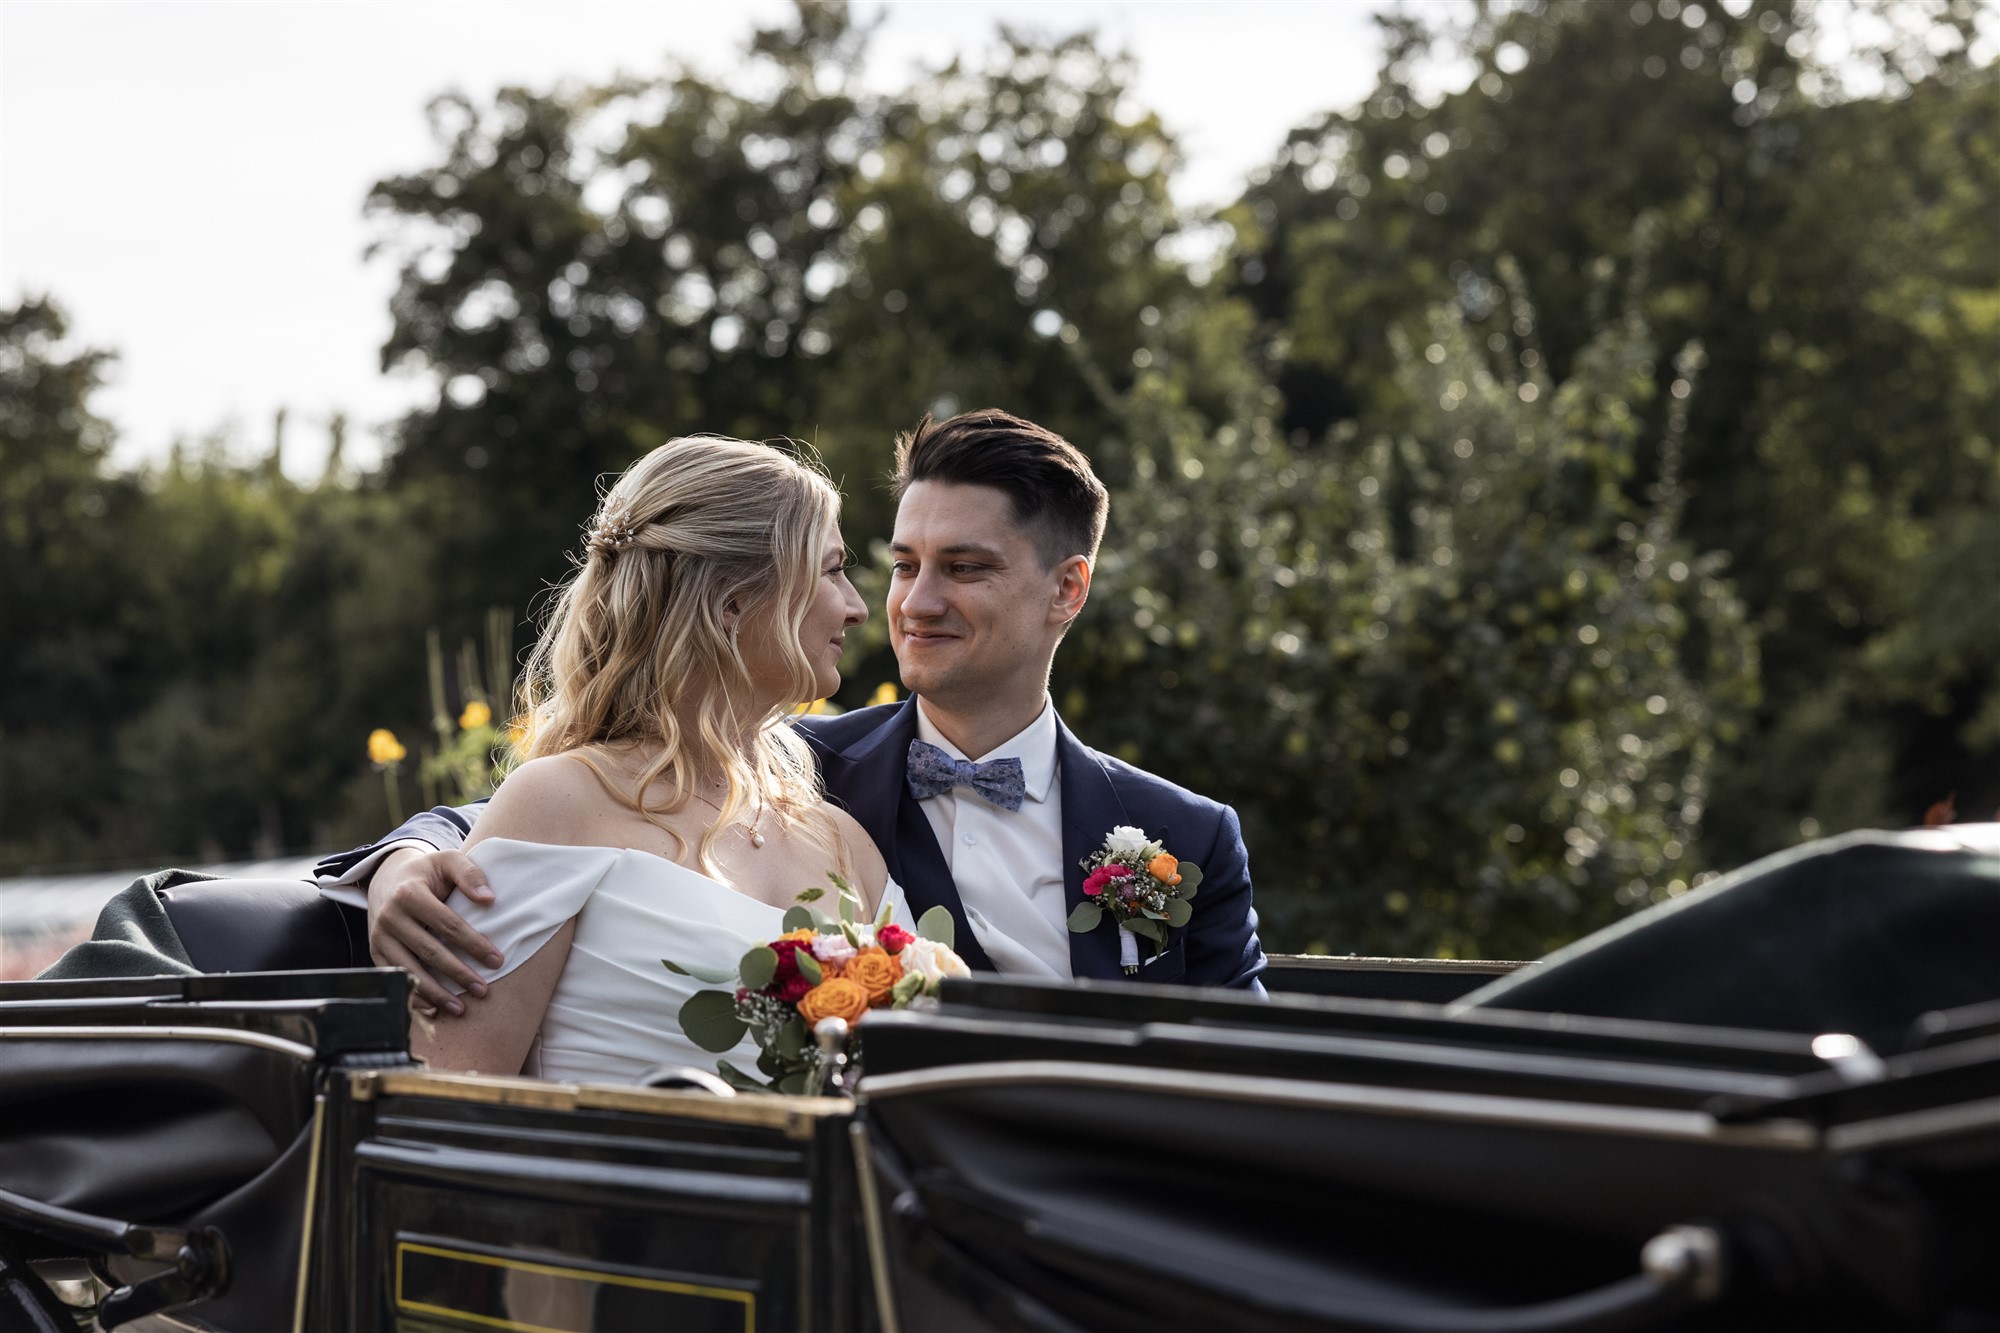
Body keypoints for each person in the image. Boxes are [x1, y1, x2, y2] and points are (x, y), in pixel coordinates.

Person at [321, 410, 1267, 1020]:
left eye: (965, 568)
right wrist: (404, 860)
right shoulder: (789, 770)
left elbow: (1250, 1067)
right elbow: (556, 811)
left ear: (1068, 589)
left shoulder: (1186, 837)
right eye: (903, 565)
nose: (911, 602)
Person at [333, 434, 894, 1080]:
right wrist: (400, 858)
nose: (857, 607)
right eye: (831, 570)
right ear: (734, 601)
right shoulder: (557, 804)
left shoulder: (844, 840)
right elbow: (448, 1094)